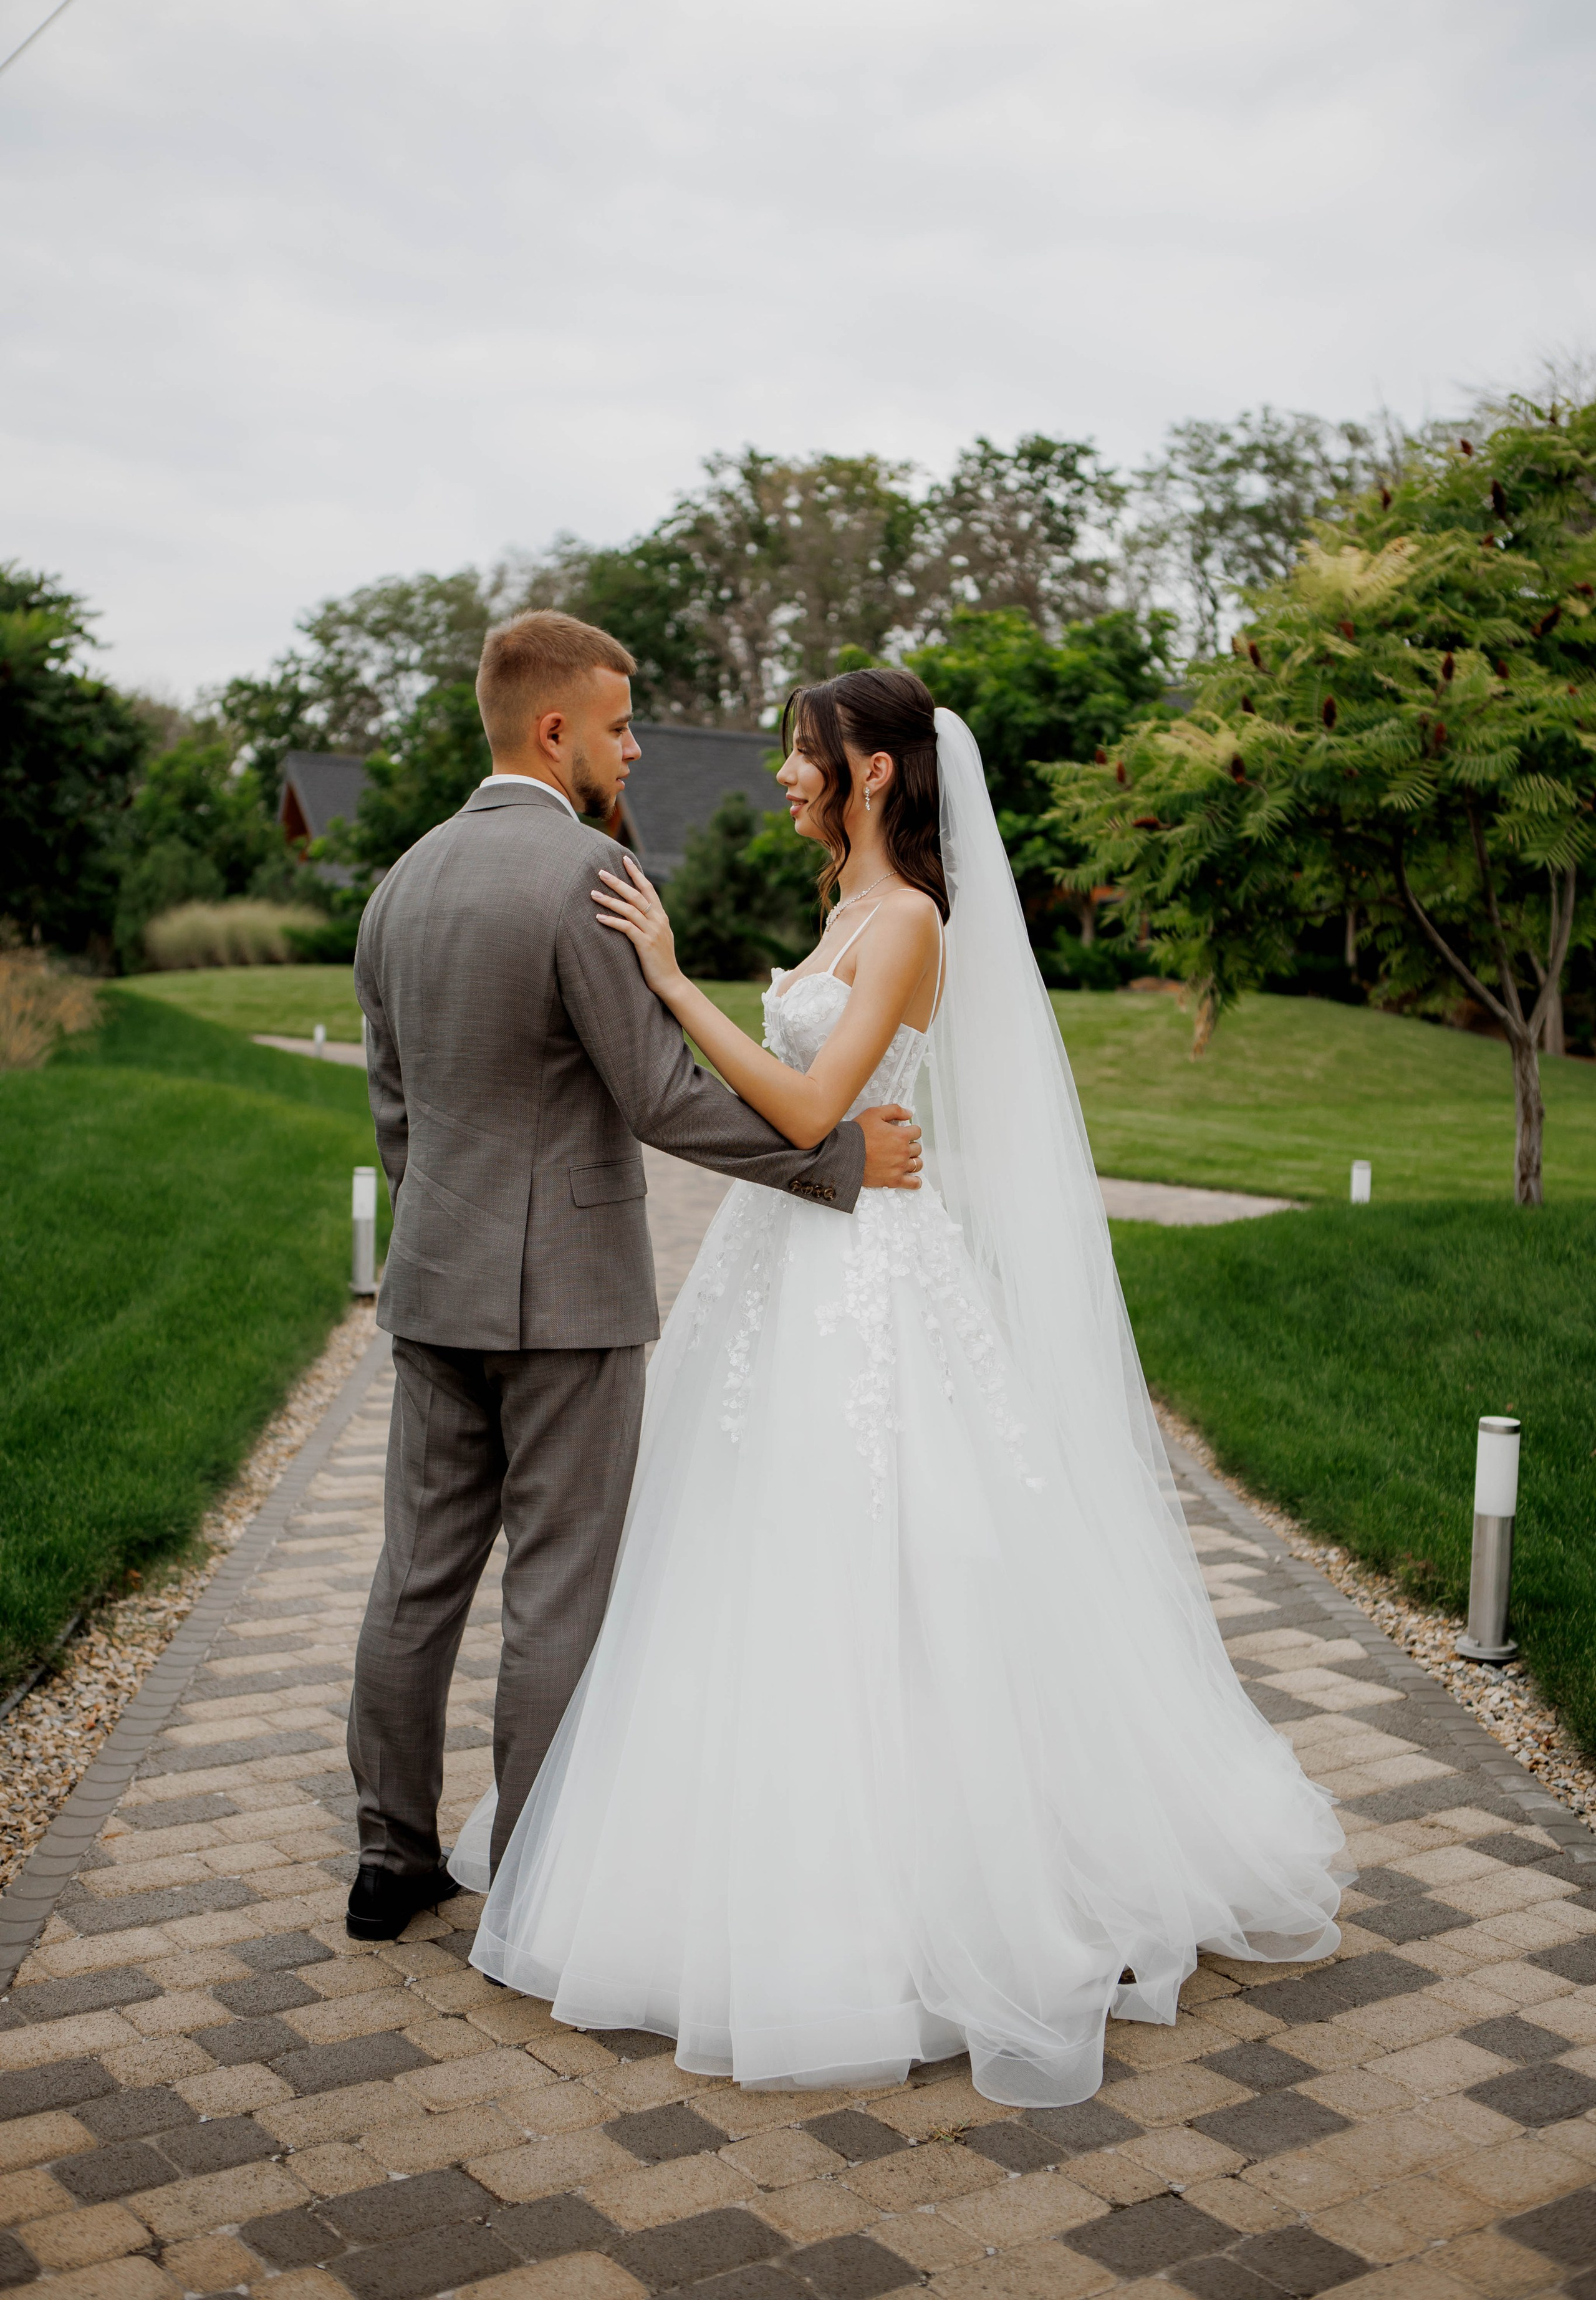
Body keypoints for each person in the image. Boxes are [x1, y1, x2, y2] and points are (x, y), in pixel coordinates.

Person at [451, 666, 1348, 2106]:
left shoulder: (915, 921)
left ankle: (944, 1899)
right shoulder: (838, 913)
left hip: (865, 1277)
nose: (784, 775)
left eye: (803, 755)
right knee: (739, 1553)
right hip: (780, 1261)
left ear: (871, 771)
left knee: (896, 1549)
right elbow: (812, 1117)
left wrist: (672, 981)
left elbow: (809, 1111)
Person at [344, 613, 923, 1945]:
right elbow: (660, 1096)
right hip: (568, 1304)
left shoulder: (400, 885)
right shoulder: (585, 878)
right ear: (556, 732)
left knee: (412, 1578)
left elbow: (395, 1115)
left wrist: (427, 1235)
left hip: (431, 1285)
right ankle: (537, 1875)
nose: (632, 747)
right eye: (617, 726)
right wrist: (827, 1161)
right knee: (555, 1585)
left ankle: (388, 1859)